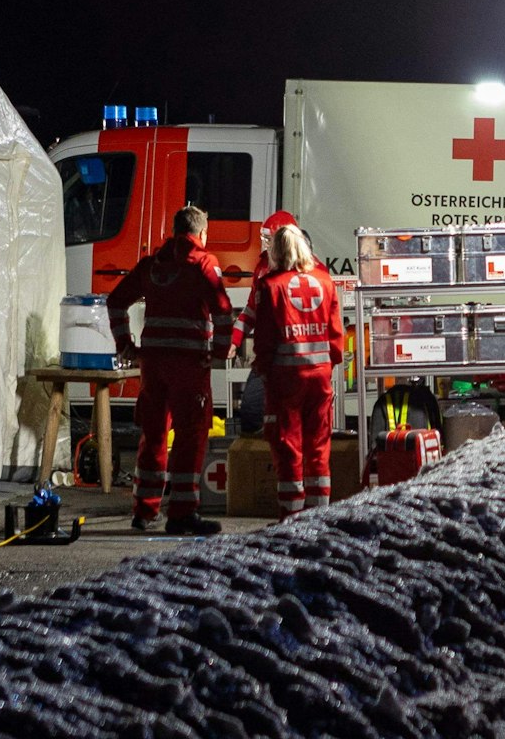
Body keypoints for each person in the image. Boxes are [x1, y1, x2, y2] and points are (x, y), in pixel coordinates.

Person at [109, 204, 233, 535]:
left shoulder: (152, 265)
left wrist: (126, 345)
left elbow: (116, 301)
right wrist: (219, 352)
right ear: (201, 234)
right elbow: (223, 311)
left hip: (152, 365)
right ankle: (181, 513)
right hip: (189, 366)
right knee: (190, 436)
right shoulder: (204, 264)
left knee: (153, 435)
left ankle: (144, 511)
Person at [250, 224, 345, 518]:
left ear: (276, 252)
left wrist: (262, 370)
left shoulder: (270, 286)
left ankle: (291, 518)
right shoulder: (325, 281)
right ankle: (320, 518)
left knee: (288, 446)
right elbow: (336, 338)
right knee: (319, 446)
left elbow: (264, 340)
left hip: (285, 381)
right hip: (320, 378)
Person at [230, 210, 301, 434]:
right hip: (269, 358)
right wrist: (234, 340)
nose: (263, 244)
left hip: (296, 360)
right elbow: (252, 309)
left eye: (267, 239)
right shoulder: (262, 268)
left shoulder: (305, 270)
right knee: (252, 412)